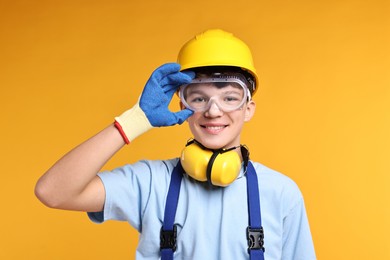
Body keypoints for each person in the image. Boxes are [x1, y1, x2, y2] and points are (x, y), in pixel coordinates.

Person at [35, 29, 316, 260]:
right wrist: (134, 121)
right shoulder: (150, 183)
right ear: (181, 104)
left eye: (230, 97)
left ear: (248, 108)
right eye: (198, 97)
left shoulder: (281, 194)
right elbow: (53, 192)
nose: (213, 111)